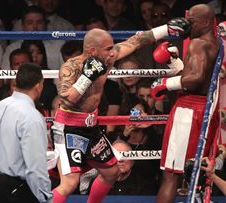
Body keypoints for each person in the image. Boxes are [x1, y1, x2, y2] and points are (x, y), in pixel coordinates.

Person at [51, 17, 191, 203]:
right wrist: (86, 78)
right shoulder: (71, 67)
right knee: (69, 182)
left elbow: (136, 41)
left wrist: (166, 29)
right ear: (92, 51)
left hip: (91, 127)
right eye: (108, 49)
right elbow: (66, 98)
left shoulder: (108, 59)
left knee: (111, 172)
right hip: (68, 127)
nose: (113, 52)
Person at [150, 4, 221, 203]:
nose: (186, 26)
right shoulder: (215, 43)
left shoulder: (197, 43)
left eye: (191, 22)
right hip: (205, 108)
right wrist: (175, 62)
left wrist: (166, 83)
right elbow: (198, 74)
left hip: (188, 111)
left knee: (171, 175)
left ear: (206, 22)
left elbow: (195, 78)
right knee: (195, 173)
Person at [0, 63, 52, 203]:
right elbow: (35, 168)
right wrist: (46, 198)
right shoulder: (32, 117)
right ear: (38, 86)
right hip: (15, 191)